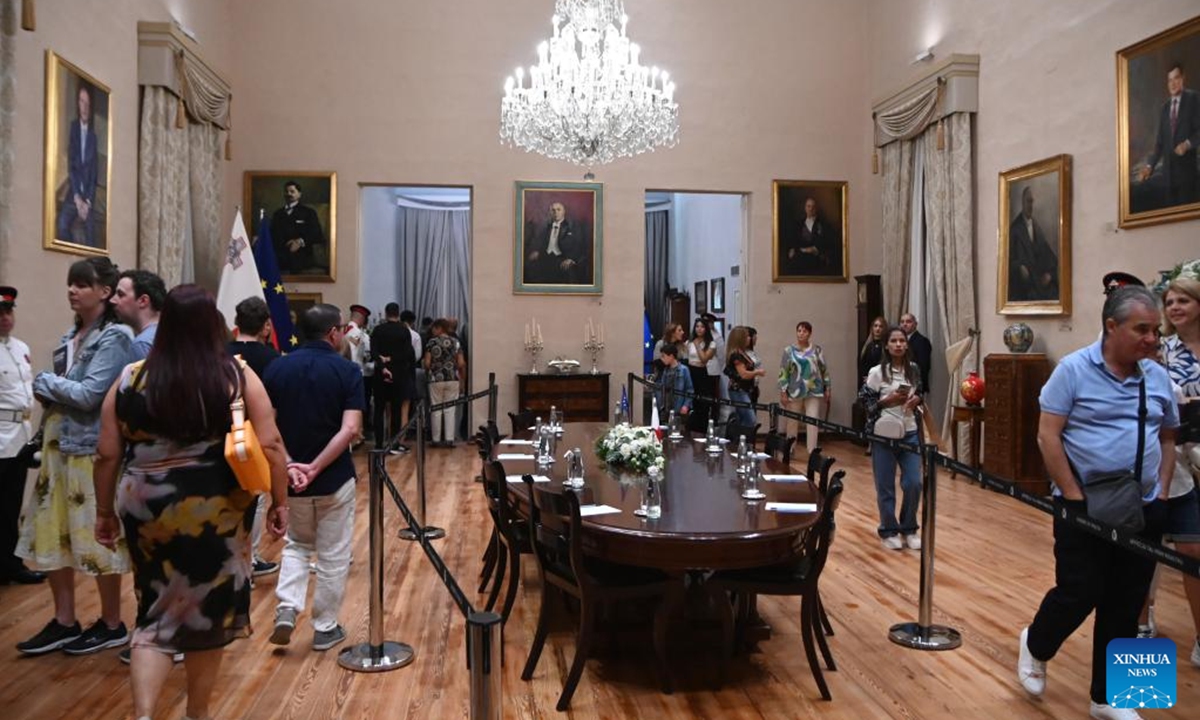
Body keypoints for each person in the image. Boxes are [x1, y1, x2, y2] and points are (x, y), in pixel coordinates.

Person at [93, 284, 290, 720]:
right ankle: (197, 713)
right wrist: (280, 501)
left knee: (154, 611)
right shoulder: (235, 376)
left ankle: (144, 715)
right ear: (213, 326)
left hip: (146, 508)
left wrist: (104, 512)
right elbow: (272, 444)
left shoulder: (130, 378)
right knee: (207, 614)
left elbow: (106, 453)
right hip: (215, 508)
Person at [1017, 286, 1175, 720]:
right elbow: (1047, 435)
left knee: (1128, 600)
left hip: (1143, 505)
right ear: (1111, 327)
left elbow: (1167, 435)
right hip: (1082, 504)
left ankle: (1113, 698)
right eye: (1142, 329)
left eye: (1156, 331)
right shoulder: (1072, 370)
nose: (1152, 339)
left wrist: (1160, 492)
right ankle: (1035, 643)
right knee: (1079, 591)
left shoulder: (1158, 376)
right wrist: (1071, 494)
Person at [16, 257, 135, 655]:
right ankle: (65, 620)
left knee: (95, 535)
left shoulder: (115, 336)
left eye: (82, 284)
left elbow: (90, 395)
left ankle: (112, 621)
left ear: (104, 291)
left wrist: (45, 381)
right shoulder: (72, 335)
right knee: (53, 532)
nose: (72, 290)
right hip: (56, 444)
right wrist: (55, 387)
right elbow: (72, 391)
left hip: (89, 448)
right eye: (71, 283)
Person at [264, 304, 364, 653]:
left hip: (289, 479)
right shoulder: (347, 371)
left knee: (297, 544)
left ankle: (287, 608)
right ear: (334, 332)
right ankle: (324, 626)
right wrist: (317, 466)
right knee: (333, 553)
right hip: (333, 477)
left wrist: (291, 465)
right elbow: (350, 429)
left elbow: (268, 428)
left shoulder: (277, 368)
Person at [1141, 276, 1200, 666]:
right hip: (1170, 455)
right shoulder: (1161, 348)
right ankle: (1143, 618)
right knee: (1148, 545)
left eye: (1184, 300)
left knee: (1193, 550)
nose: (1176, 307)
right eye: (1171, 302)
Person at [226, 296, 282, 578]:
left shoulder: (220, 353)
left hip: (223, 438)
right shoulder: (271, 358)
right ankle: (251, 558)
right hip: (257, 438)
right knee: (257, 498)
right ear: (266, 326)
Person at [858, 326, 924, 551]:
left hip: (910, 432)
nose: (898, 345)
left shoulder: (914, 370)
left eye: (902, 341)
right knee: (885, 485)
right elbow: (865, 404)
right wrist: (888, 400)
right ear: (887, 345)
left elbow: (920, 394)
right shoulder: (877, 372)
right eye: (894, 341)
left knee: (914, 483)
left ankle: (910, 527)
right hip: (884, 434)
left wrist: (916, 400)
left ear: (907, 344)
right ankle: (888, 529)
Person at [0, 287, 43, 585]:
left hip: (19, 435)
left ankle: (11, 565)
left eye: (8, 311)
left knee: (11, 505)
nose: (5, 318)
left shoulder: (20, 348)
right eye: (0, 313)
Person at [1137, 63, 1200, 208]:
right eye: (1170, 80)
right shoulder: (1164, 108)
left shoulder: (1194, 98)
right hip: (1168, 178)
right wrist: (1149, 166)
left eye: (1176, 78)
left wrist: (1187, 144)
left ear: (1183, 78)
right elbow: (1159, 144)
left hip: (1187, 175)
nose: (1173, 83)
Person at [55, 84, 99, 247]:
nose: (85, 107)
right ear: (78, 104)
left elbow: (94, 175)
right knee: (61, 225)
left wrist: (87, 202)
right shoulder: (73, 129)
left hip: (87, 200)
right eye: (82, 102)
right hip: (73, 196)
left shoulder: (93, 137)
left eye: (87, 103)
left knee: (91, 239)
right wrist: (77, 198)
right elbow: (71, 168)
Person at [778, 321, 831, 456]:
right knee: (792, 421)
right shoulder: (789, 351)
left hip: (814, 390)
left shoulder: (817, 350)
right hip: (795, 390)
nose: (801, 333)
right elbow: (784, 372)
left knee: (813, 420)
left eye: (804, 331)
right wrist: (783, 391)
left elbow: (824, 370)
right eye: (799, 331)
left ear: (809, 333)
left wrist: (828, 388)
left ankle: (812, 451)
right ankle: (790, 449)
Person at [371, 303, 416, 452]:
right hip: (398, 375)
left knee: (379, 409)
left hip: (380, 374)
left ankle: (378, 443)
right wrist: (392, 359)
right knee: (396, 410)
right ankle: (394, 443)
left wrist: (382, 360)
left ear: (386, 313)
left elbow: (373, 352)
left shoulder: (378, 330)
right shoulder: (404, 331)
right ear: (398, 314)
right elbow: (408, 354)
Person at [1008, 187, 1059, 302]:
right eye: (1028, 201)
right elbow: (1007, 262)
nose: (1031, 206)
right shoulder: (1015, 229)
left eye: (1033, 202)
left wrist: (1050, 275)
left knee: (1055, 295)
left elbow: (1051, 257)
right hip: (1025, 287)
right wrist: (1020, 268)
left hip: (1040, 283)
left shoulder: (1036, 227)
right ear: (1022, 202)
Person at [523, 201, 590, 285]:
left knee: (568, 275)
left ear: (564, 211)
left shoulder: (572, 226)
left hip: (562, 259)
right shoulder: (546, 227)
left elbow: (580, 245)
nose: (556, 213)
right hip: (546, 257)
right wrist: (537, 251)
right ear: (550, 213)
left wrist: (572, 259)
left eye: (558, 210)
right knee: (528, 270)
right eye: (553, 210)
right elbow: (540, 241)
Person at [423, 318, 465, 447]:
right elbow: (461, 363)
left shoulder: (432, 343)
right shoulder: (456, 342)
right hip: (452, 379)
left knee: (436, 409)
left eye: (434, 328)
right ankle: (449, 439)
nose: (433, 331)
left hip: (436, 379)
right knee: (450, 410)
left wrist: (432, 369)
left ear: (439, 328)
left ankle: (436, 440)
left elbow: (427, 363)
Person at [270, 180, 325, 275]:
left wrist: (299, 242)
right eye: (286, 191)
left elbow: (317, 234)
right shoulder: (277, 214)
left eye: (292, 191)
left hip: (302, 254)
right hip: (281, 253)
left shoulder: (308, 212)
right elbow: (272, 234)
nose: (288, 194)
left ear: (299, 194)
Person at [111, 269, 165, 360]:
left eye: (120, 294)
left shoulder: (142, 344)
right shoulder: (171, 332)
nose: (112, 300)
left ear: (143, 301)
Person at [784, 197, 836, 276]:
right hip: (801, 254)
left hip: (816, 256)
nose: (810, 209)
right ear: (805, 208)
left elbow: (827, 241)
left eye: (813, 207)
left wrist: (815, 249)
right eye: (808, 206)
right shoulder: (799, 224)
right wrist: (793, 248)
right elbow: (794, 240)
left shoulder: (823, 224)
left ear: (816, 209)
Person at [725, 327, 764, 426]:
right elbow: (743, 374)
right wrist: (757, 372)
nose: (749, 338)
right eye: (746, 336)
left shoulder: (743, 353)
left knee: (742, 417)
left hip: (746, 389)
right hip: (738, 390)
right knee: (750, 419)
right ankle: (742, 439)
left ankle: (742, 439)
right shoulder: (736, 355)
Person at [685, 318, 717, 432]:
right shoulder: (689, 342)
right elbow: (686, 357)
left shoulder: (711, 344)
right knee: (691, 399)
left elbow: (704, 359)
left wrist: (698, 346)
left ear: (706, 329)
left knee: (702, 402)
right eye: (697, 326)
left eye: (702, 327)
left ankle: (702, 429)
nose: (699, 329)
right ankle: (690, 427)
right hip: (690, 371)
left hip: (702, 372)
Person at [655, 344, 693, 417]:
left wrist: (686, 405)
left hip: (679, 407)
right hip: (666, 407)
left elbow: (689, 389)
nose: (662, 359)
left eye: (663, 356)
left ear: (671, 356)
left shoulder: (683, 370)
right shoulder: (665, 370)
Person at [900, 313, 932, 397]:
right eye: (902, 322)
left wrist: (919, 390)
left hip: (915, 387)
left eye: (908, 321)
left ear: (915, 324)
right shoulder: (900, 341)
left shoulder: (922, 341)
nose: (904, 324)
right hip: (901, 384)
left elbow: (924, 367)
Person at [858, 316, 887, 387]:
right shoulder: (865, 345)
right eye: (875, 326)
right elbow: (861, 364)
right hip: (865, 380)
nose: (878, 329)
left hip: (881, 381)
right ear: (872, 328)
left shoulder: (886, 346)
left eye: (881, 326)